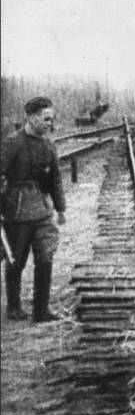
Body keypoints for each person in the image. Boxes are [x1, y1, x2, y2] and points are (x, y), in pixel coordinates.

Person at [1, 96, 65, 322]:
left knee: (45, 254)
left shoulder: (49, 145)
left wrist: (61, 208)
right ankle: (14, 307)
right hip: (16, 209)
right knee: (16, 259)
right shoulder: (13, 142)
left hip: (41, 208)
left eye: (52, 119)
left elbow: (56, 177)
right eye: (46, 119)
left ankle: (41, 310)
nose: (50, 124)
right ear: (32, 117)